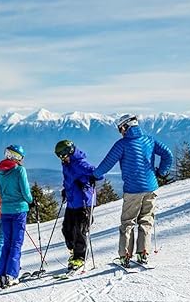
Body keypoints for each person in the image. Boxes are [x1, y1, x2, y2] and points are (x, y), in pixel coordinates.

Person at [93, 114, 173, 267]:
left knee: (128, 222)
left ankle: (125, 256)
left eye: (120, 129)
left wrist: (95, 176)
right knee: (146, 220)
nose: (120, 132)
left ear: (125, 127)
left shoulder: (122, 144)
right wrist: (161, 172)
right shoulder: (149, 140)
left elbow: (107, 163)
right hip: (151, 188)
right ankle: (143, 254)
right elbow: (168, 154)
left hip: (133, 190)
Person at [55, 140, 101, 270]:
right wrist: (66, 189)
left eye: (62, 155)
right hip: (72, 202)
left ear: (69, 151)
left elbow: (99, 174)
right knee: (66, 229)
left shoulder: (80, 163)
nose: (61, 158)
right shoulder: (66, 164)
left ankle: (80, 256)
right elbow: (68, 180)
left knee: (79, 230)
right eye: (58, 156)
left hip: (83, 202)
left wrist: (91, 178)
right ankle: (74, 251)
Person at [0, 144, 33, 289]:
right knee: (16, 243)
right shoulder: (19, 170)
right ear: (17, 157)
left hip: (5, 210)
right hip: (19, 210)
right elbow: (25, 191)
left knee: (7, 243)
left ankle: (2, 275)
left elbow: (0, 192)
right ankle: (11, 275)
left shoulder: (0, 172)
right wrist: (31, 201)